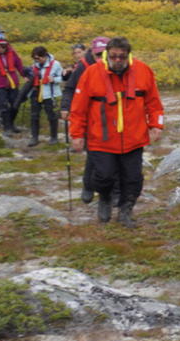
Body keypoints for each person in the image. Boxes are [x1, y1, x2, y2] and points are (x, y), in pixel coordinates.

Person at [70, 36, 164, 226]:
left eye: (122, 56)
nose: (118, 60)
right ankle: (104, 197)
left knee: (133, 178)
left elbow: (154, 103)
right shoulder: (91, 73)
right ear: (107, 54)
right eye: (114, 56)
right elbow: (78, 108)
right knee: (104, 175)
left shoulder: (143, 71)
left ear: (128, 55)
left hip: (134, 138)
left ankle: (125, 211)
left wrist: (156, 125)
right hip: (101, 137)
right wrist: (77, 134)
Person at [65, 36, 110, 203]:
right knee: (93, 155)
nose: (101, 58)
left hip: (112, 119)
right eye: (98, 54)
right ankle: (88, 186)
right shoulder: (83, 66)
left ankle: (109, 193)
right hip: (90, 117)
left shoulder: (117, 65)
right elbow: (70, 88)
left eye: (104, 53)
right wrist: (65, 107)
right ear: (92, 52)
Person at [25, 46, 64, 146]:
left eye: (38, 58)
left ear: (44, 55)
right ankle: (34, 137)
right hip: (36, 92)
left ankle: (54, 137)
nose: (37, 60)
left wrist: (54, 79)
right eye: (35, 58)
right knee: (34, 115)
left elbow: (61, 77)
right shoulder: (34, 65)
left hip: (49, 93)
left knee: (51, 115)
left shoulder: (55, 64)